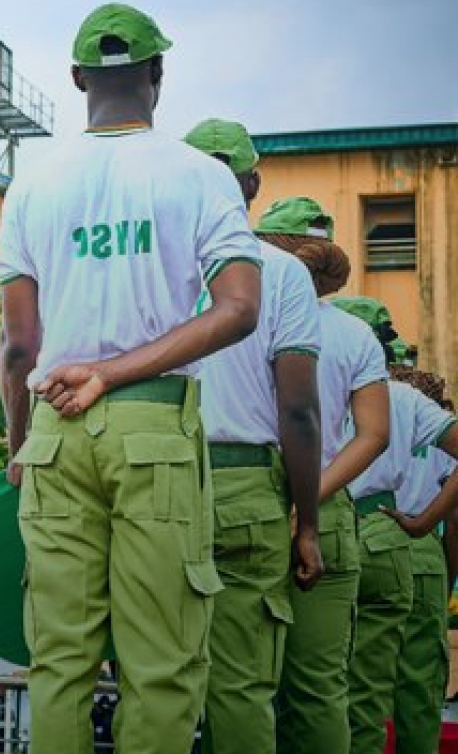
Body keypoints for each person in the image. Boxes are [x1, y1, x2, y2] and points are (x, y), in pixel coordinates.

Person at [0, 6, 261, 752]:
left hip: (52, 434)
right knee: (163, 664)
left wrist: (21, 445)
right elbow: (239, 309)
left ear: (78, 78)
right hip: (152, 430)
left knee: (59, 662)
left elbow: (20, 347)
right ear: (157, 75)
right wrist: (111, 375)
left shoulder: (31, 188)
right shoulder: (202, 178)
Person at [182, 119, 323, 754]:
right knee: (241, 687)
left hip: (155, 480)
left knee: (157, 679)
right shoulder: (283, 272)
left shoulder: (158, 263)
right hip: (245, 492)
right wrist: (309, 523)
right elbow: (298, 409)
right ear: (254, 184)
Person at [256, 199, 391, 754]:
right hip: (330, 517)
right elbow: (373, 434)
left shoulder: (237, 319)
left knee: (242, 686)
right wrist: (312, 498)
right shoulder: (355, 335)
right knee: (319, 690)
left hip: (247, 499)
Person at [334, 298, 458, 754]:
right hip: (397, 535)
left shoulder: (313, 382)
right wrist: (425, 524)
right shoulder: (408, 401)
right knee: (401, 681)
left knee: (320, 679)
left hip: (324, 519)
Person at [383, 366, 457, 754]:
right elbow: (455, 516)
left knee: (359, 679)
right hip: (424, 550)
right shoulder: (431, 422)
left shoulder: (355, 405)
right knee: (420, 682)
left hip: (366, 529)